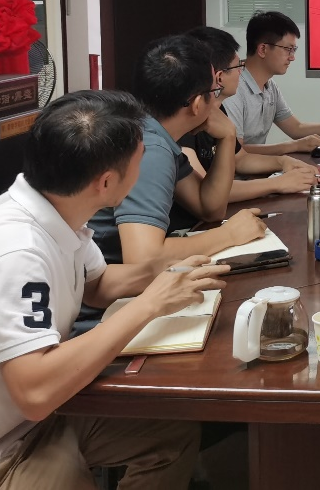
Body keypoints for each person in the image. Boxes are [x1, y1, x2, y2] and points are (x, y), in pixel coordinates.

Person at [0, 90, 229, 490]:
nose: (146, 163)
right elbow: (35, 392)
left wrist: (166, 272)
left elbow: (97, 285)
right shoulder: (16, 253)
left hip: (31, 420)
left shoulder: (56, 206)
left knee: (169, 432)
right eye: (141, 157)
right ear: (106, 183)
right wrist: (148, 306)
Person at [76, 36, 266, 332]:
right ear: (197, 104)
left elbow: (209, 207)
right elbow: (144, 258)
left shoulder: (155, 134)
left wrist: (228, 137)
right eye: (214, 91)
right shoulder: (149, 148)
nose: (217, 99)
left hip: (122, 298)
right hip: (101, 315)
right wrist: (230, 234)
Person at [185, 26, 318, 203]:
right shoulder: (184, 125)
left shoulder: (216, 110)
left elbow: (240, 159)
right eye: (238, 66)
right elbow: (207, 195)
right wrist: (278, 183)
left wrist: (283, 162)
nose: (241, 72)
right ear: (219, 77)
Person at [222, 11, 320, 155]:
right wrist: (292, 146)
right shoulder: (233, 89)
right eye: (288, 49)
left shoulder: (270, 86)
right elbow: (235, 152)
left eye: (294, 50)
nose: (292, 57)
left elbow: (296, 128)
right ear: (263, 49)